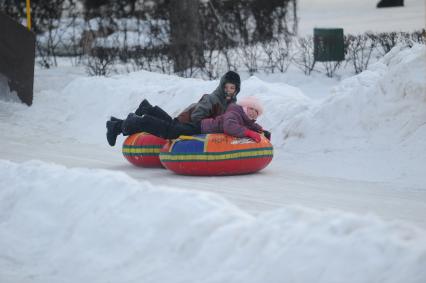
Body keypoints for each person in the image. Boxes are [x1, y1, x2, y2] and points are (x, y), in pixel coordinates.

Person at [106, 71, 241, 146]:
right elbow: (196, 117)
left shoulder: (230, 104)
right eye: (226, 87)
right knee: (165, 128)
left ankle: (146, 108)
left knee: (168, 124)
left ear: (236, 90)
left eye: (232, 88)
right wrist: (213, 124)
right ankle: (121, 125)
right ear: (222, 86)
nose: (228, 91)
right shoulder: (213, 99)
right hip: (187, 122)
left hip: (188, 124)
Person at [106, 95, 270, 146]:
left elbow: (249, 124)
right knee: (170, 132)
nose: (255, 115)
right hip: (200, 128)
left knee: (172, 124)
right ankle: (131, 123)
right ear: (246, 107)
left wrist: (260, 131)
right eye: (253, 110)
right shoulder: (234, 112)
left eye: (257, 114)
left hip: (199, 127)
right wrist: (249, 132)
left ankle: (146, 109)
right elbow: (229, 126)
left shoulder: (243, 117)